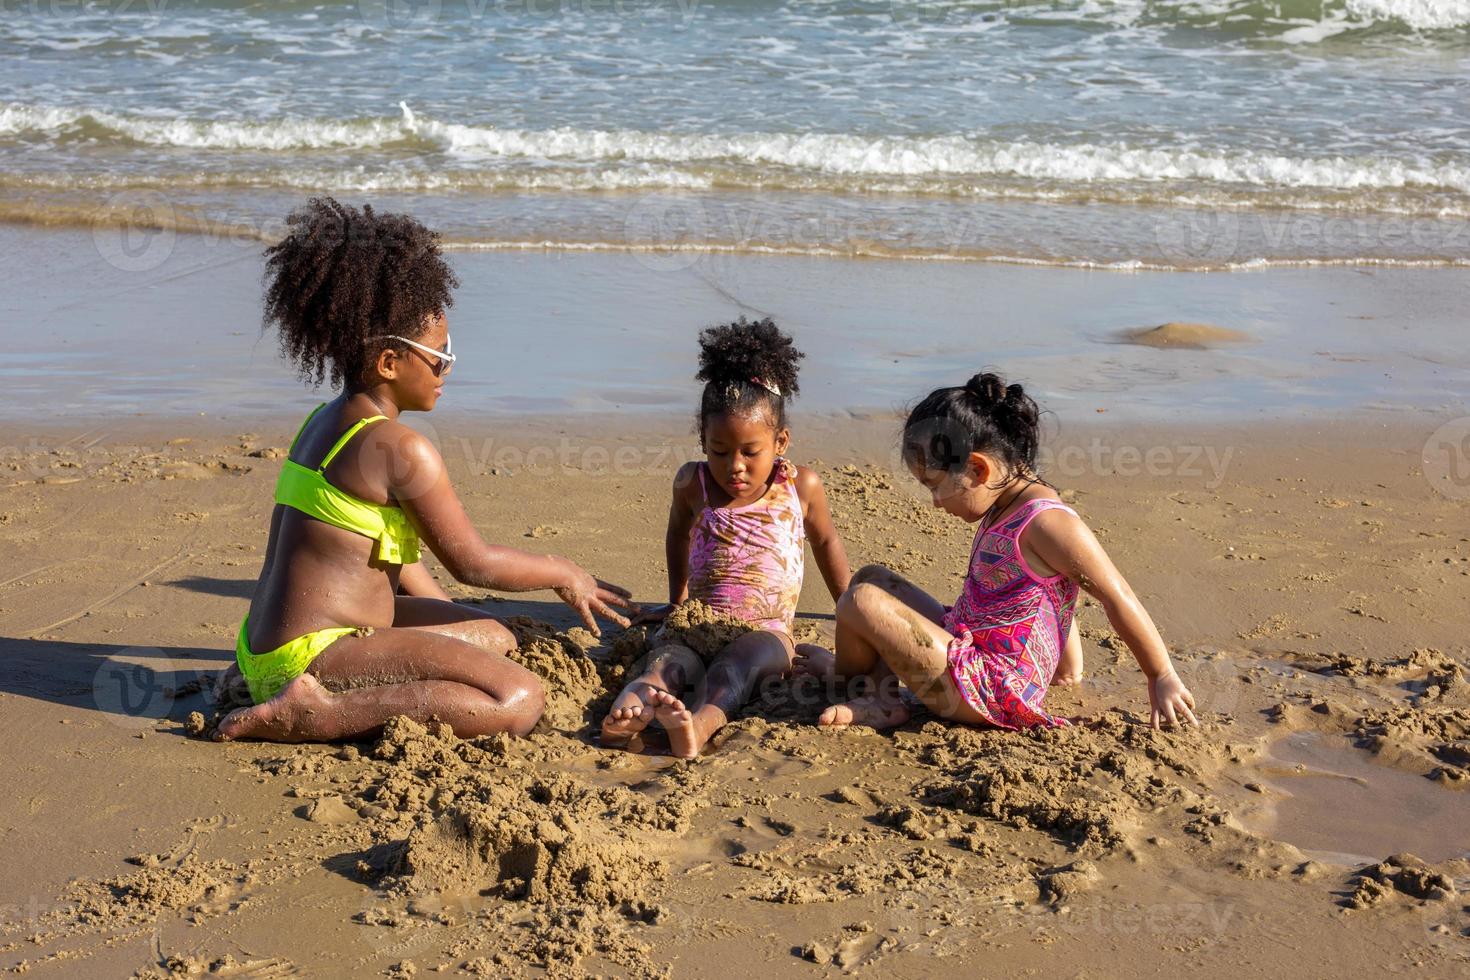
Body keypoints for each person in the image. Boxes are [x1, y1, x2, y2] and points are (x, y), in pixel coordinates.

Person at [216, 198, 634, 743]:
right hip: (316, 653)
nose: (447, 367)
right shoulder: (400, 448)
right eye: (438, 354)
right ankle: (314, 714)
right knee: (518, 698)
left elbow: (389, 555)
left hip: (264, 647)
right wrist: (562, 570)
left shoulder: (325, 421)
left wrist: (448, 634)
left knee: (491, 637)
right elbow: (473, 564)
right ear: (389, 362)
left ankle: (275, 686)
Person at [806, 372, 1197, 732]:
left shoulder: (1046, 522)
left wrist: (1160, 673)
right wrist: (1067, 668)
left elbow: (1116, 596)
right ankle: (865, 679)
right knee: (871, 578)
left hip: (989, 689)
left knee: (861, 601)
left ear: (978, 470)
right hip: (969, 647)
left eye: (934, 486)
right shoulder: (1009, 502)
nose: (935, 503)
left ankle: (866, 691)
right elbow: (1057, 589)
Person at [600, 317, 851, 757]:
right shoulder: (691, 484)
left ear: (781, 441)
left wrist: (848, 611)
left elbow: (826, 543)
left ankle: (698, 725)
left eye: (750, 452)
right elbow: (677, 535)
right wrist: (677, 604)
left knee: (734, 671)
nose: (734, 465)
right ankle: (631, 708)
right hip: (699, 621)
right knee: (667, 664)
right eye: (719, 451)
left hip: (767, 631)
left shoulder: (800, 487)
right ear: (703, 439)